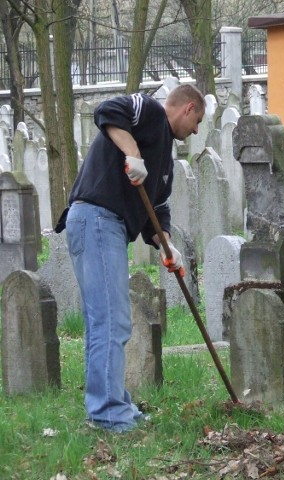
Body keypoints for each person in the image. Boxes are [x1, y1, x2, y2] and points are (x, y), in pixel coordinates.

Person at [55, 84, 205, 432]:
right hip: (95, 218)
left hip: (108, 227)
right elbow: (107, 110)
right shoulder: (150, 112)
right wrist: (132, 153)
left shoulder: (165, 157)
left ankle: (111, 405)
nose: (195, 130)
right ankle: (109, 414)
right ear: (187, 108)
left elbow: (157, 209)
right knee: (112, 320)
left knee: (105, 321)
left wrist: (168, 246)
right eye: (197, 121)